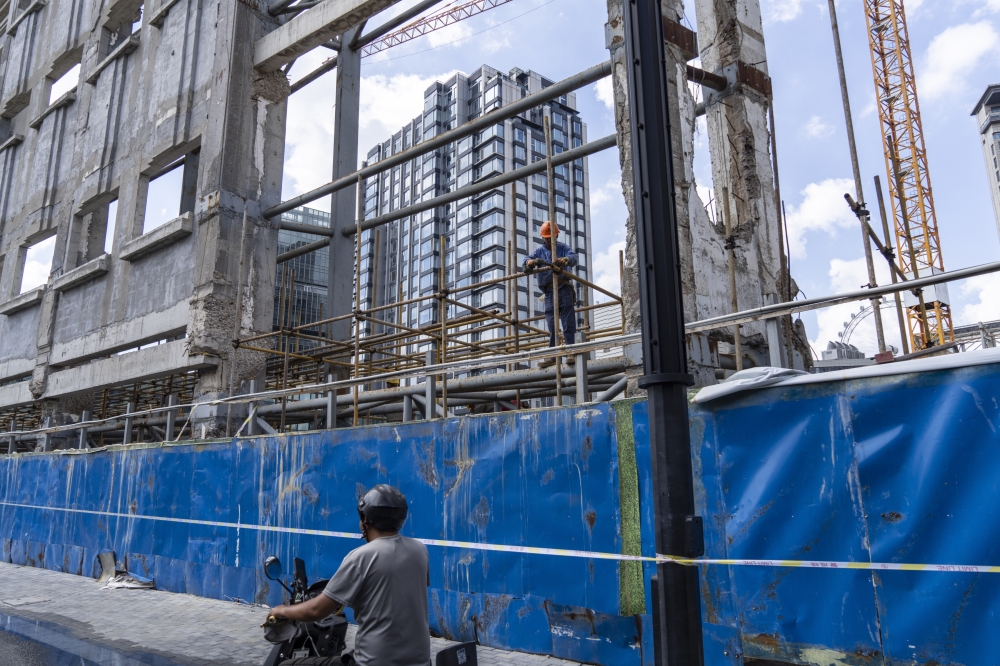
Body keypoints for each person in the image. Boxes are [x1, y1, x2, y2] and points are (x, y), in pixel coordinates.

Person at [267, 485, 430, 666]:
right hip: (421, 662)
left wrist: (282, 610)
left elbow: (317, 610)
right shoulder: (420, 550)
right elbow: (395, 592)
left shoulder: (360, 557)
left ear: (366, 520)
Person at [523, 221, 578, 367]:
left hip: (563, 287)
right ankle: (553, 355)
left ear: (556, 236)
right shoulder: (539, 252)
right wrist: (531, 262)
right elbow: (526, 260)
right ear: (543, 238)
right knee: (552, 325)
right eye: (547, 238)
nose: (549, 240)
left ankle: (571, 352)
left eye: (551, 238)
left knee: (568, 322)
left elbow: (573, 257)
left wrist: (565, 260)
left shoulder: (562, 248)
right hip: (549, 291)